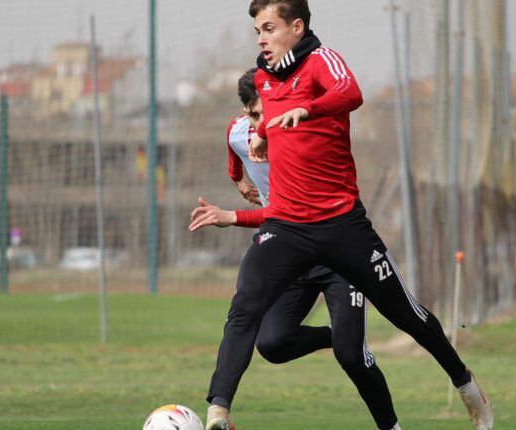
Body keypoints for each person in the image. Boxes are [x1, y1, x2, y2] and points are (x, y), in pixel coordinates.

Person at [189, 1, 493, 429]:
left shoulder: (320, 61)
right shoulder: (262, 78)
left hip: (342, 226)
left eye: (269, 27)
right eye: (257, 29)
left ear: (296, 27)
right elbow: (264, 122)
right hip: (288, 227)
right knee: (247, 308)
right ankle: (218, 410)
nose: (260, 37)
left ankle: (465, 384)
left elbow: (352, 94)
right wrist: (260, 136)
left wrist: (307, 109)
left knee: (404, 314)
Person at [202, 68, 401, 430]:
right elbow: (235, 165)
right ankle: (336, 337)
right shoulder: (237, 134)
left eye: (265, 113)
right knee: (274, 344)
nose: (261, 124)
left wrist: (234, 215)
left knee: (352, 357)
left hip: (336, 251)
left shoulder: (301, 136)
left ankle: (389, 422)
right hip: (290, 251)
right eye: (253, 115)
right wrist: (239, 182)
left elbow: (286, 211)